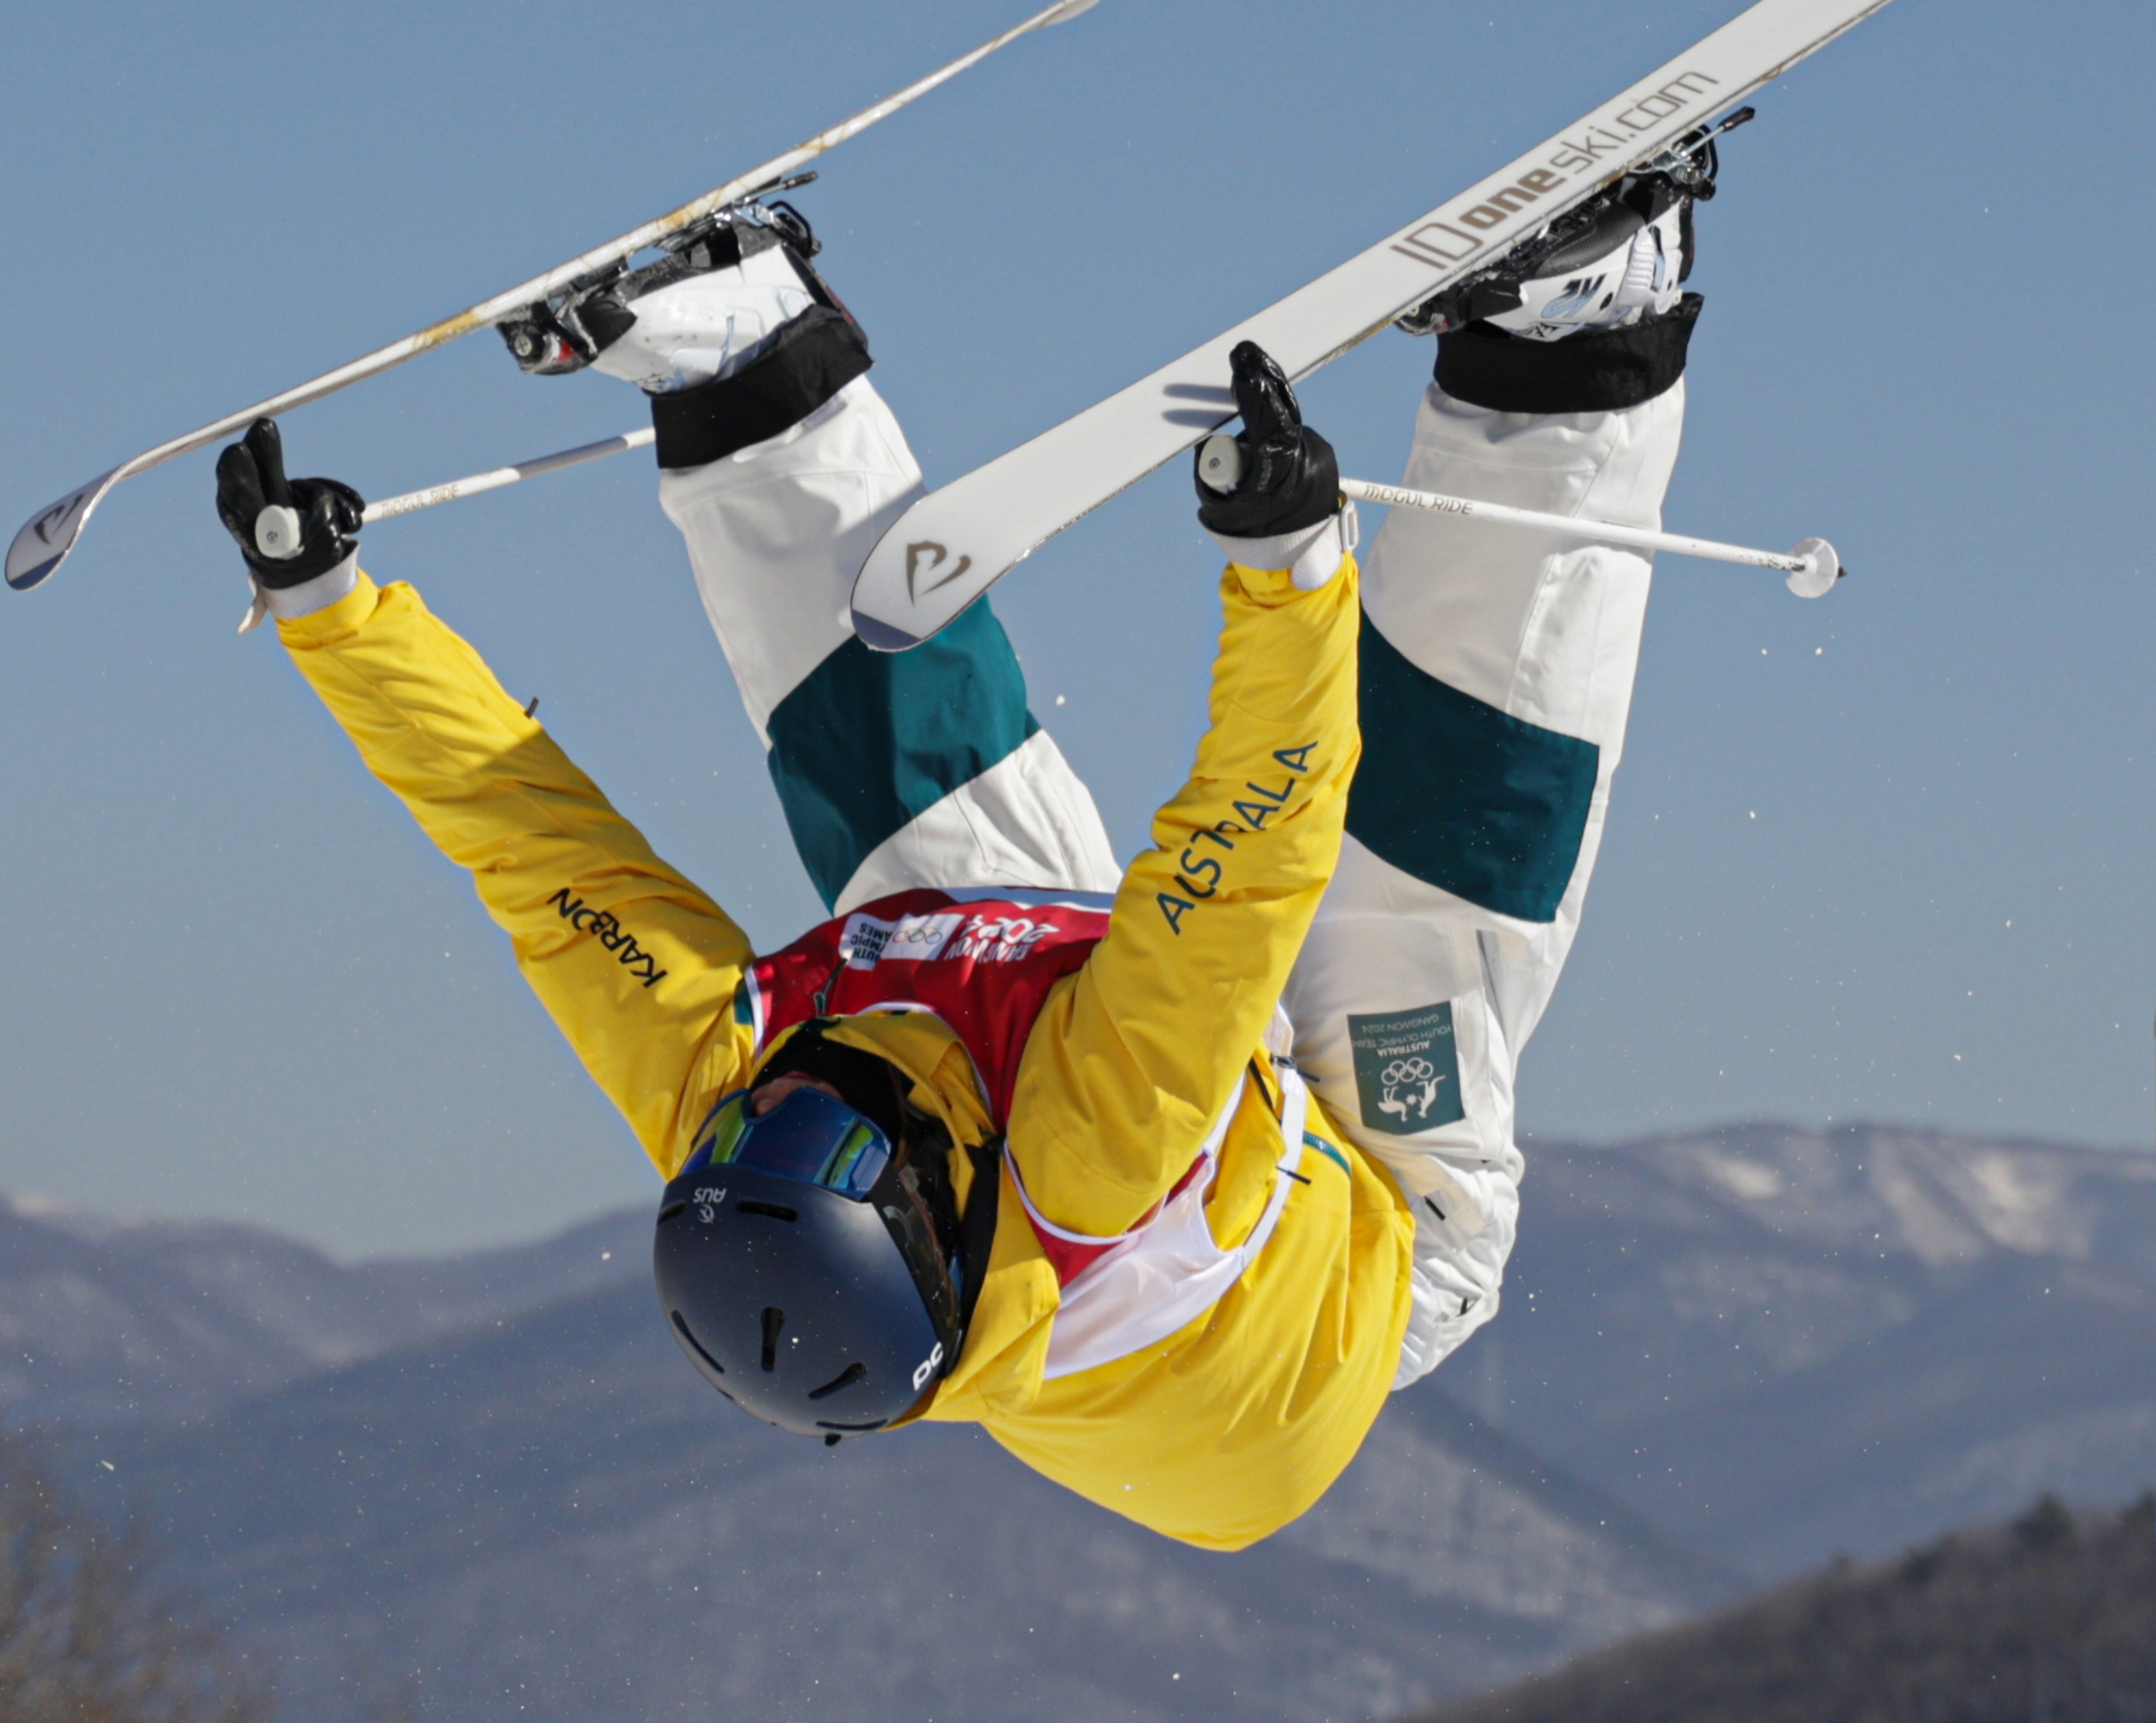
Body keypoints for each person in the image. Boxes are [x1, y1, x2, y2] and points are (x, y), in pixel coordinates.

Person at [213, 148, 1713, 1552]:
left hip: (1088, 1307)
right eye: (864, 1102)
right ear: (927, 1178)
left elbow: (534, 856)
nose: (836, 1058)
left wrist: (331, 617)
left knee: (913, 858)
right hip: (1365, 1262)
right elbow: (1254, 838)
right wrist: (1283, 566)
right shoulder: (1092, 1135)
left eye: (798, 1090)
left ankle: (748, 372)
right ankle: (1580, 355)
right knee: (1412, 883)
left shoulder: (724, 1084)